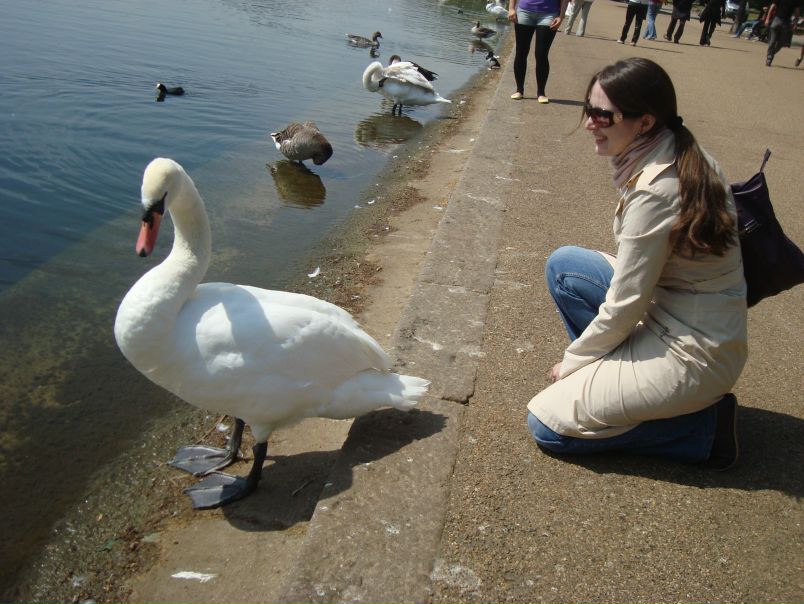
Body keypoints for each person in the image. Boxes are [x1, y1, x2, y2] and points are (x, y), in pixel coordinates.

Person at [527, 58, 747, 470]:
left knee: (546, 424)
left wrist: (573, 362)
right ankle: (617, 383)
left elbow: (625, 303)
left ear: (644, 122)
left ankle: (703, 430)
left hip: (693, 350)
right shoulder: (681, 150)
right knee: (566, 268)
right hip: (680, 313)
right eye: (587, 109)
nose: (590, 123)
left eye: (601, 115)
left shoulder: (656, 190)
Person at [508, 0, 569, 103]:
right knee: (521, 52)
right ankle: (519, 90)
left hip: (549, 14)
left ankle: (541, 93)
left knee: (541, 54)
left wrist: (561, 16)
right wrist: (511, 8)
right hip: (524, 12)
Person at [765, 0, 803, 66]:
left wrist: (795, 23)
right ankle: (769, 58)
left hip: (786, 22)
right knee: (772, 41)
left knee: (782, 42)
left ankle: (771, 53)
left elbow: (797, 11)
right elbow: (772, 6)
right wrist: (767, 18)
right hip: (777, 19)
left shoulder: (795, 1)